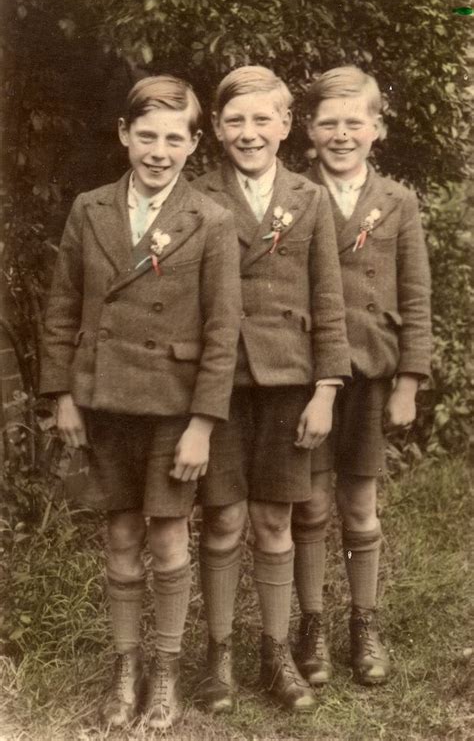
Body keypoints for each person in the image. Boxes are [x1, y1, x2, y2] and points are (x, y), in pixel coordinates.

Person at [39, 75, 242, 730]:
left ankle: (166, 670)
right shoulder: (89, 208)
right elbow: (62, 305)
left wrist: (204, 424)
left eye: (173, 138)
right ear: (124, 134)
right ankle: (126, 667)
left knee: (167, 535)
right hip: (104, 402)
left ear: (192, 144)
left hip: (173, 409)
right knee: (120, 532)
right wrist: (61, 393)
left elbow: (222, 330)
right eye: (146, 135)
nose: (158, 150)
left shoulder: (210, 219)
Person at [192, 65, 351, 713]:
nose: (250, 133)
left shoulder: (308, 199)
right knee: (224, 518)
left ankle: (275, 648)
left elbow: (330, 300)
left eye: (263, 119)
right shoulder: (196, 197)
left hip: (288, 384)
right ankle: (219, 653)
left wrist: (327, 388)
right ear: (216, 128)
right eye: (236, 120)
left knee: (275, 519)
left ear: (287, 126)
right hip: (220, 384)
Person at [292, 65, 431, 687]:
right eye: (329, 123)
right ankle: (313, 624)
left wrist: (409, 379)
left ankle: (364, 621)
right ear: (309, 129)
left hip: (372, 371)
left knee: (361, 505)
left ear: (377, 129)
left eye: (355, 123)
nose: (342, 135)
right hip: (308, 371)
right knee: (312, 504)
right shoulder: (292, 195)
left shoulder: (398, 201)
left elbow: (418, 295)